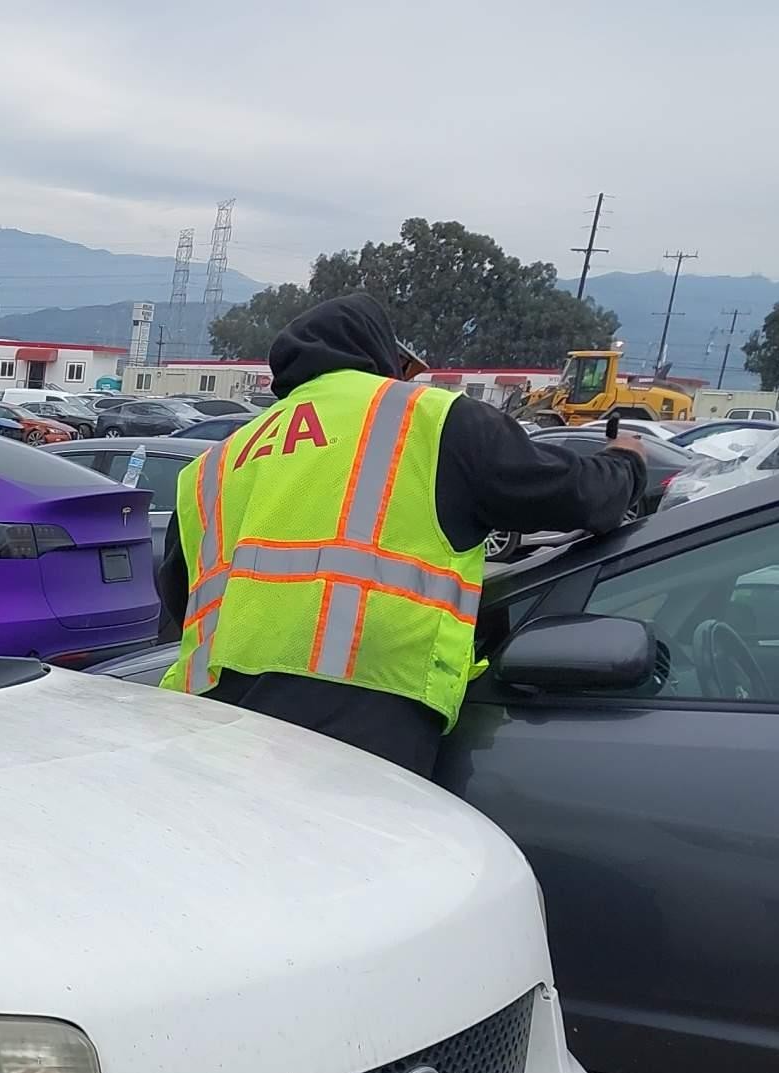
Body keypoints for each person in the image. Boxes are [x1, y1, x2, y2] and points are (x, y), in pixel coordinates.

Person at [155, 293, 650, 775]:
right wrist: (627, 461)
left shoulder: (214, 462)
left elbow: (181, 595)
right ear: (378, 352)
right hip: (367, 716)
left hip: (216, 721)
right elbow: (576, 497)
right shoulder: (430, 419)